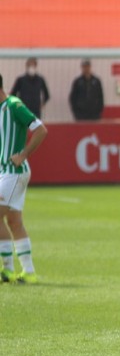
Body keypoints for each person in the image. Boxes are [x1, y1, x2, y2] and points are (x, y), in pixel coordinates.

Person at [0, 73, 48, 284]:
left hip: (14, 172)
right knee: (14, 221)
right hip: (5, 172)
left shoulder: (14, 105)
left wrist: (23, 154)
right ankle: (28, 272)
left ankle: (7, 269)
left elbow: (40, 130)